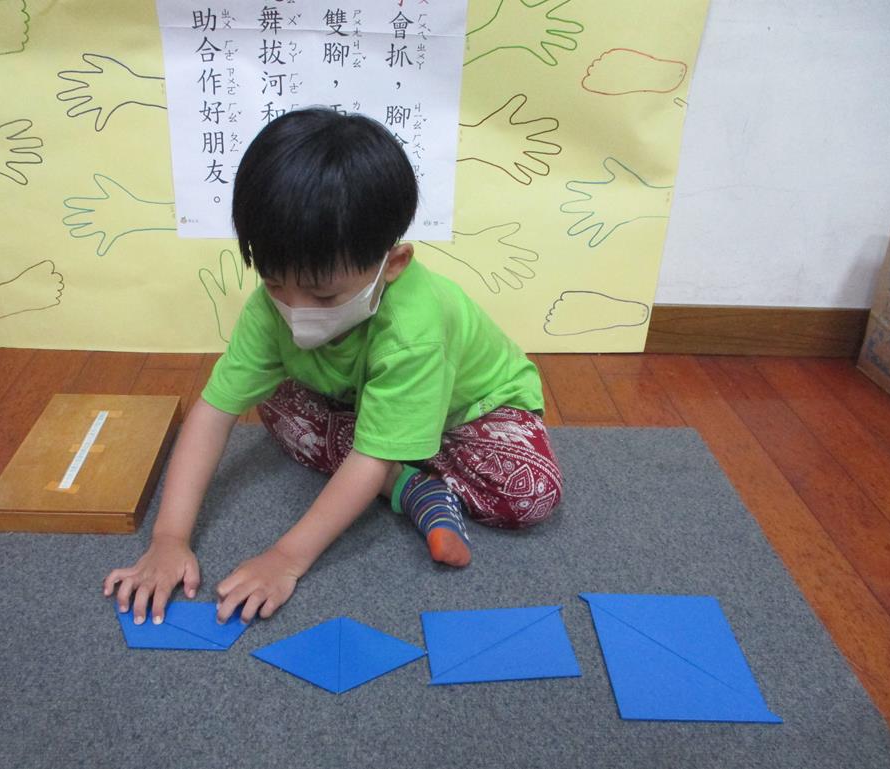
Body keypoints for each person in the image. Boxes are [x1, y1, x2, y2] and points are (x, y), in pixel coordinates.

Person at [103, 107, 563, 628]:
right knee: (275, 402)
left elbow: (369, 454)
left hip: (476, 414)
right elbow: (213, 412)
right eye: (275, 283)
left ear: (393, 264)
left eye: (323, 296)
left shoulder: (413, 332)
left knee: (532, 494)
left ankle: (393, 468)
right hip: (363, 404)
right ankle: (409, 484)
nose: (295, 309)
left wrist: (285, 559)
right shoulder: (269, 309)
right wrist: (168, 538)